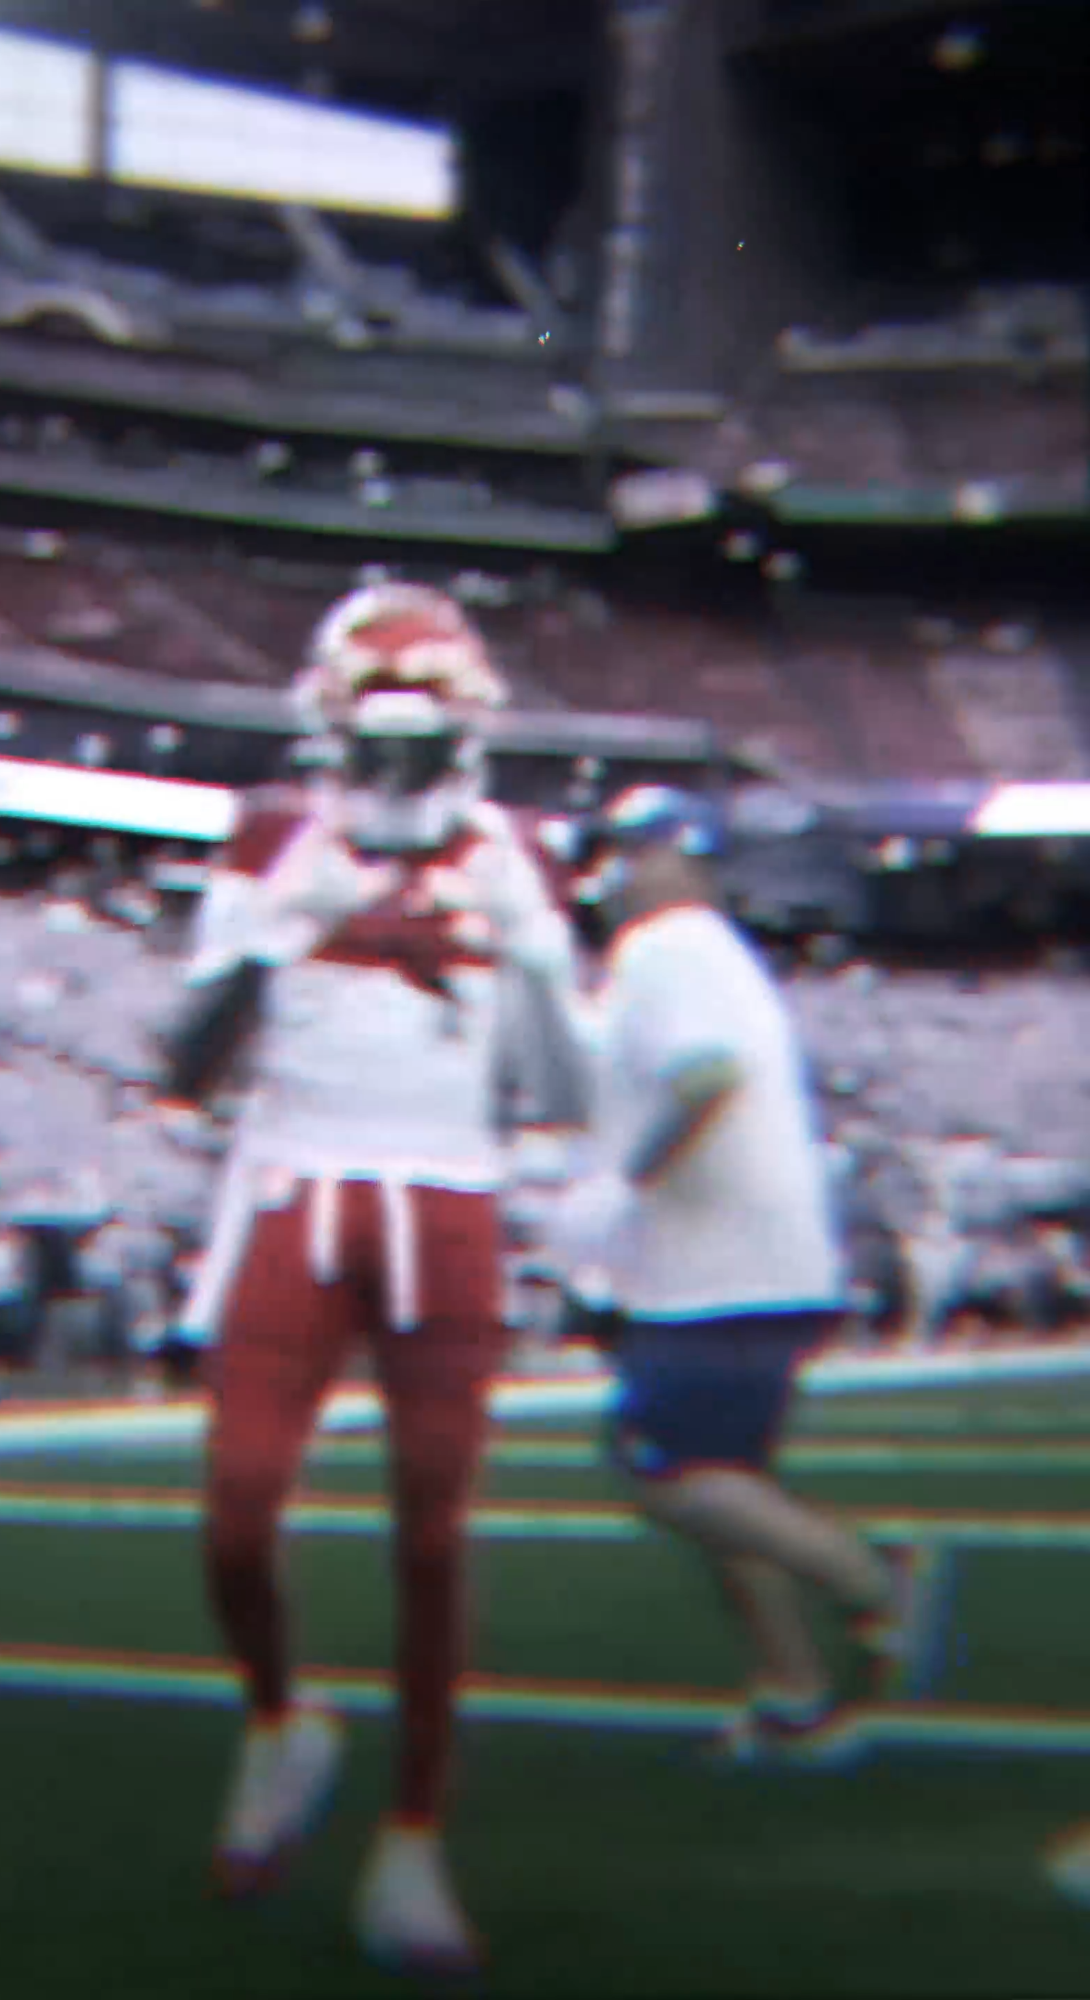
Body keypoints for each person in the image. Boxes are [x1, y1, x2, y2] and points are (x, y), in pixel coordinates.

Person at [156, 582, 588, 1975]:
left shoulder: (516, 850)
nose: (397, 757)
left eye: (423, 726)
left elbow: (563, 1093)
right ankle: (283, 1719)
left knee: (433, 1531)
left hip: (447, 1188)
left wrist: (537, 959)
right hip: (297, 1180)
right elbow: (182, 1064)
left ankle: (415, 1829)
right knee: (236, 1509)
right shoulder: (272, 836)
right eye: (377, 726)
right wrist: (280, 928)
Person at [550, 785, 923, 1764]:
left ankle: (869, 1577)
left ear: (681, 859)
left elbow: (706, 1078)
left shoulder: (667, 947)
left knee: (662, 1466)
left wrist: (625, 1184)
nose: (614, 874)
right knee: (731, 1483)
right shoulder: (704, 952)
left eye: (633, 852)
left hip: (719, 1267)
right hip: (746, 1260)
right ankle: (793, 1693)